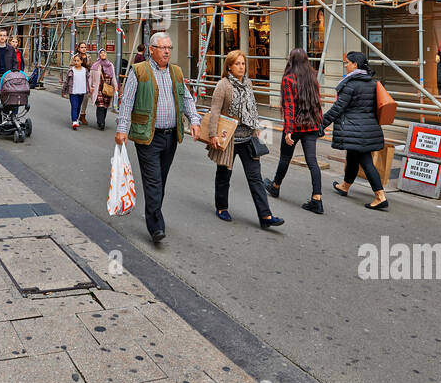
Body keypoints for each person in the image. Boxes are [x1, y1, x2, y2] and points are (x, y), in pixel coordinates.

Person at [113, 32, 202, 243]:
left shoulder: (176, 72)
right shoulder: (139, 71)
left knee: (161, 179)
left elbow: (187, 98)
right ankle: (156, 226)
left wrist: (195, 120)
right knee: (153, 180)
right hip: (147, 136)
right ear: (151, 50)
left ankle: (154, 212)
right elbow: (127, 101)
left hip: (171, 136)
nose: (167, 51)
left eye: (169, 48)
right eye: (163, 48)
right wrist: (122, 129)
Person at [205, 50, 284, 228]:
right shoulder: (223, 85)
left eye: (243, 64)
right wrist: (213, 135)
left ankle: (266, 216)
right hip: (229, 140)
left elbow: (253, 109)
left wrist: (257, 130)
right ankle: (222, 207)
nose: (241, 67)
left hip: (248, 138)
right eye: (237, 64)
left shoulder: (247, 83)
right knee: (224, 175)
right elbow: (215, 111)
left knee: (255, 177)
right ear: (230, 67)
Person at [323, 50, 389, 210]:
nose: (345, 65)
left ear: (355, 64)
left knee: (366, 162)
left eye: (347, 63)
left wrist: (321, 123)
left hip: (356, 129)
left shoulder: (351, 84)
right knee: (352, 156)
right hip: (367, 128)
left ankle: (380, 196)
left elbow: (338, 108)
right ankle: (345, 185)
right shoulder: (372, 82)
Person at [265, 47, 326, 214]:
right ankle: (317, 199)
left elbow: (290, 107)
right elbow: (317, 102)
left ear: (290, 61)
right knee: (312, 161)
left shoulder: (288, 79)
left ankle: (275, 186)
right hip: (312, 125)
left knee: (285, 157)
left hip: (296, 126)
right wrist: (319, 122)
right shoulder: (312, 76)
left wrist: (289, 130)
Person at [87, 47, 118, 130]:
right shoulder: (95, 65)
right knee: (100, 105)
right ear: (99, 55)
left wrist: (115, 86)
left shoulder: (110, 65)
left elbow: (113, 77)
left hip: (107, 88)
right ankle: (101, 123)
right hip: (98, 89)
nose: (103, 54)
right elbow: (90, 77)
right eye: (101, 53)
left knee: (105, 106)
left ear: (106, 54)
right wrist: (90, 87)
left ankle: (101, 120)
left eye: (104, 53)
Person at [62, 51, 88, 129]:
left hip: (82, 91)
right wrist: (63, 90)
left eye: (78, 61)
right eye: (75, 61)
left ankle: (76, 118)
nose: (76, 62)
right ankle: (74, 121)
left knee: (79, 106)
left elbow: (88, 80)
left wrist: (90, 88)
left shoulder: (85, 70)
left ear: (81, 61)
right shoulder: (71, 70)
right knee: (74, 106)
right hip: (73, 91)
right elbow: (66, 81)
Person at [74, 43, 92, 125]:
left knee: (85, 97)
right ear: (78, 48)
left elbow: (91, 67)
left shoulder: (88, 57)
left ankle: (83, 114)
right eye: (82, 47)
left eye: (85, 47)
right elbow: (71, 67)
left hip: (86, 79)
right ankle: (75, 116)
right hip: (77, 79)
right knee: (77, 99)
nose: (84, 49)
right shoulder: (75, 57)